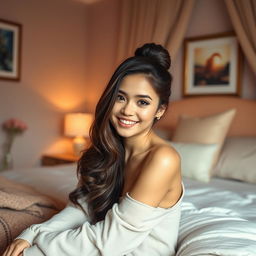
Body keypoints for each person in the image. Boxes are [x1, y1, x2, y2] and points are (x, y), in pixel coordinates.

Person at [3, 43, 183, 256]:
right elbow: (83, 205)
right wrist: (31, 233)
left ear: (160, 110)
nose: (127, 110)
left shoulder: (163, 159)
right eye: (120, 97)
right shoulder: (111, 148)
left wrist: (36, 250)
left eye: (142, 102)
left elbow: (112, 242)